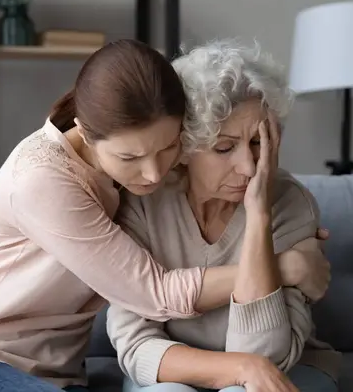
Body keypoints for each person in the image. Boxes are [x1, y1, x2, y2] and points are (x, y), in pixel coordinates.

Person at [0, 39, 328, 392]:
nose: (154, 172)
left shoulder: (137, 177)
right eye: (131, 157)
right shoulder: (43, 181)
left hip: (56, 377)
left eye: (167, 149)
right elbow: (154, 294)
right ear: (85, 133)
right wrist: (284, 265)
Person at [106, 39, 340, 392]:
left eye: (259, 143)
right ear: (183, 147)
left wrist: (259, 215)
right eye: (225, 147)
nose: (248, 167)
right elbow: (137, 345)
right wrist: (283, 266)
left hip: (285, 373)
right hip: (175, 370)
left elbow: (265, 355)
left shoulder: (287, 202)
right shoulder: (142, 204)